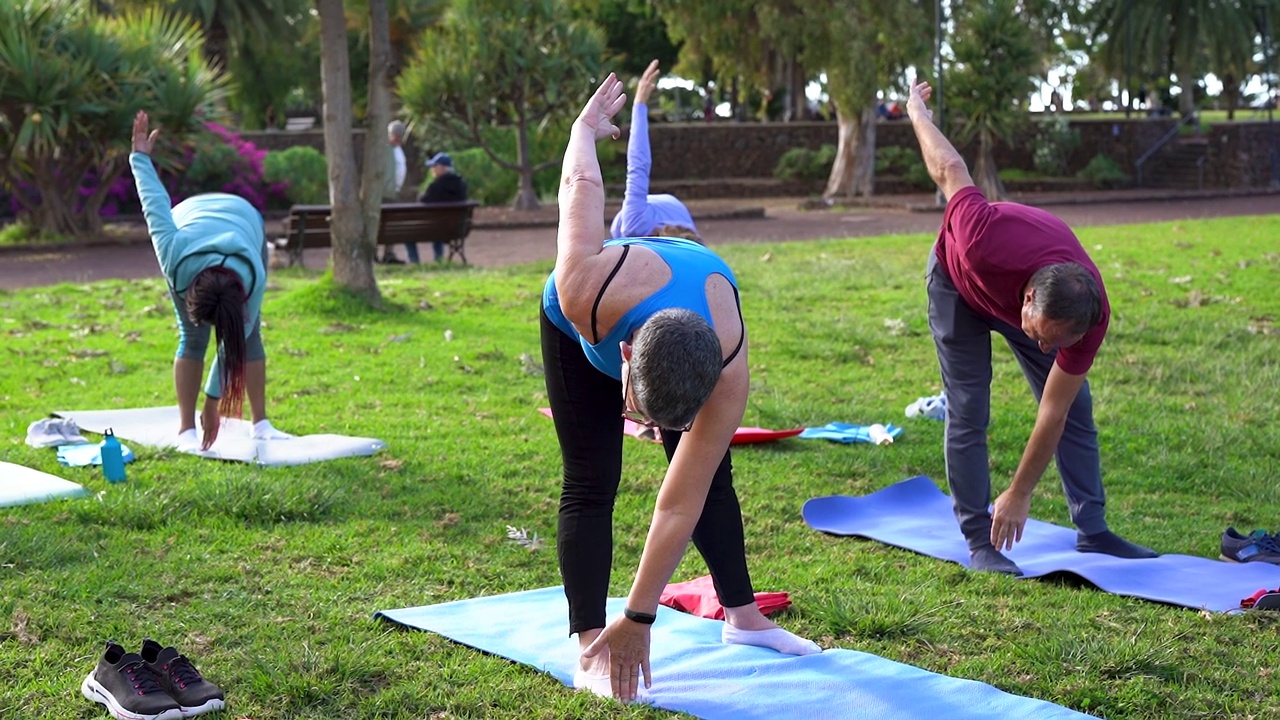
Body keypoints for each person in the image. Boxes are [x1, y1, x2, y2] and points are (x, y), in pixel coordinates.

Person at [541, 73, 819, 704]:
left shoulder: (729, 370)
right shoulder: (584, 287)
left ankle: (743, 617)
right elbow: (581, 185)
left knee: (708, 476)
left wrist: (640, 618)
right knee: (590, 478)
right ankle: (588, 641)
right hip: (576, 319)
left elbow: (676, 502)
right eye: (638, 405)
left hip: (675, 323)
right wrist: (583, 131)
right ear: (626, 358)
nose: (639, 418)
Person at [905, 81, 1157, 576]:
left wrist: (1020, 492)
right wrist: (919, 113)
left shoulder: (1088, 315)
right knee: (970, 408)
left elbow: (1053, 411)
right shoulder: (983, 236)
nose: (1043, 348)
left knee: (1076, 407)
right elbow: (949, 169)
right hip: (958, 285)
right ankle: (980, 541)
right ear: (1026, 299)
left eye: (1052, 342)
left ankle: (1093, 529)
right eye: (1040, 335)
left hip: (1032, 299)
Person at [129, 111, 292, 451]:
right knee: (192, 337)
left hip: (244, 218)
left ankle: (261, 423)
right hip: (192, 220)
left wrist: (213, 400)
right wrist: (140, 158)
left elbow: (234, 337)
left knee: (249, 334)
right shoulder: (173, 252)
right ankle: (185, 429)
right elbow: (155, 204)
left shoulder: (253, 276)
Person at [610, 60, 702, 243]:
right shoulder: (636, 225)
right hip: (675, 214)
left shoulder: (634, 226)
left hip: (672, 216)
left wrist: (640, 105)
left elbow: (639, 164)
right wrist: (639, 104)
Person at [417, 152, 468, 262]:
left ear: (443, 168)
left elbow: (422, 200)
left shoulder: (435, 187)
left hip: (435, 228)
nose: (432, 169)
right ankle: (438, 259)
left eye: (434, 166)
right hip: (457, 229)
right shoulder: (461, 185)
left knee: (409, 236)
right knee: (438, 227)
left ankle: (415, 261)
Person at [379, 120, 413, 264]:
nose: (398, 139)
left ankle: (389, 253)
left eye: (400, 136)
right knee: (379, 223)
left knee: (390, 224)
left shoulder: (397, 149)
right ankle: (375, 253)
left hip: (393, 192)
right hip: (384, 193)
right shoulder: (383, 149)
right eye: (395, 135)